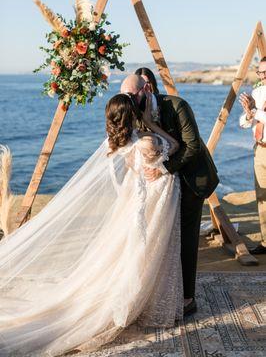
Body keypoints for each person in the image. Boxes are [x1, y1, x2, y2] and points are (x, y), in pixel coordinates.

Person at [0, 93, 183, 356]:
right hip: (152, 204)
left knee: (130, 254)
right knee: (149, 251)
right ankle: (140, 301)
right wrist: (149, 123)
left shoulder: (119, 143)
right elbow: (174, 145)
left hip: (136, 204)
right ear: (132, 115)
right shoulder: (145, 142)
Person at [121, 74, 219, 316]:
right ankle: (163, 290)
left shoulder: (178, 106)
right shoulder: (134, 110)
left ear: (146, 88)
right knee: (161, 238)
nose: (130, 101)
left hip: (190, 178)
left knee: (185, 238)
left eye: (133, 96)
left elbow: (192, 145)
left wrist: (163, 168)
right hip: (161, 188)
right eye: (127, 97)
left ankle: (187, 298)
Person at [239, 56, 266, 255]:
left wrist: (255, 111)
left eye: (265, 72)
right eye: (260, 72)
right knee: (262, 197)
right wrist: (249, 113)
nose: (262, 76)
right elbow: (244, 122)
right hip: (260, 149)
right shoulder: (257, 91)